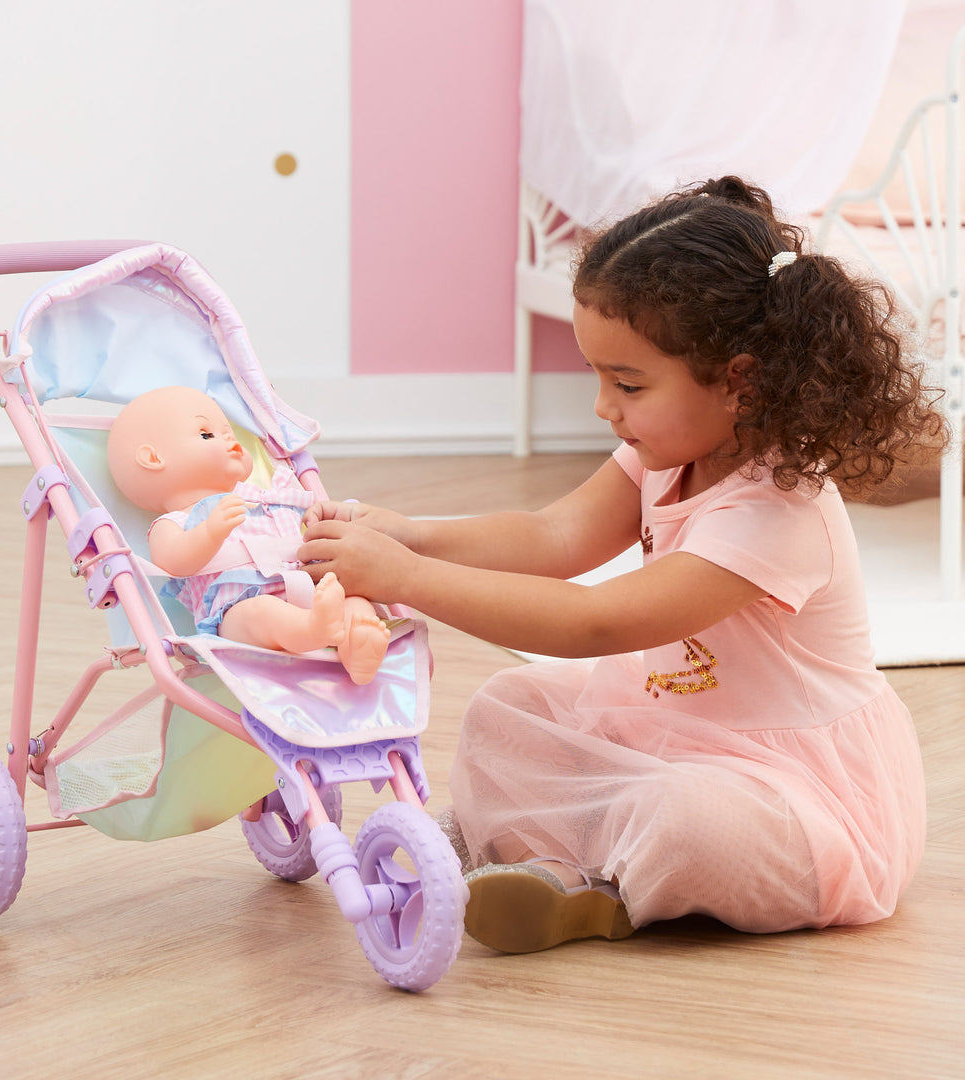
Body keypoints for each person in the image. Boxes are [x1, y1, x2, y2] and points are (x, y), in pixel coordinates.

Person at [297, 176, 948, 952]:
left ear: (740, 380)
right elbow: (552, 539)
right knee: (508, 705)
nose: (606, 407)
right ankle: (538, 855)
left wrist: (403, 580)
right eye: (598, 378)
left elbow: (596, 621)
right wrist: (412, 536)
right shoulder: (667, 452)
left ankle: (596, 894)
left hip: (797, 793)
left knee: (692, 819)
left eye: (629, 383)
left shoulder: (777, 510)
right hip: (674, 725)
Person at [107, 385, 390, 685]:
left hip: (310, 587)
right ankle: (312, 630)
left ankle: (357, 645)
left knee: (355, 601)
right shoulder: (172, 522)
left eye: (229, 431)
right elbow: (174, 562)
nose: (231, 438)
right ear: (153, 458)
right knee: (262, 613)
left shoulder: (267, 498)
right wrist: (210, 532)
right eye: (207, 434)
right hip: (236, 611)